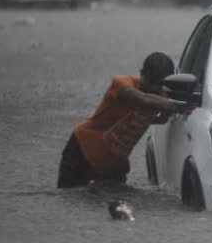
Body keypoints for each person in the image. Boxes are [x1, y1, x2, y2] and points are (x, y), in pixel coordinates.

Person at [57, 52, 191, 189]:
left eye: (159, 84)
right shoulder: (122, 84)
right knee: (68, 197)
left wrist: (178, 108)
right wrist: (176, 106)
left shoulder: (161, 97)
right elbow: (143, 99)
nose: (154, 88)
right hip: (81, 151)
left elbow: (161, 119)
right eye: (150, 82)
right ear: (141, 74)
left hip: (113, 163)